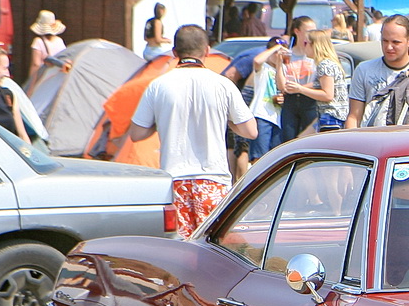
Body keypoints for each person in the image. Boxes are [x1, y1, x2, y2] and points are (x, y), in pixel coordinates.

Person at [129, 25, 257, 236]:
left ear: (174, 52)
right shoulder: (222, 84)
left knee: (179, 249)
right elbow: (250, 131)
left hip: (175, 181)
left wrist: (160, 120)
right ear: (207, 51)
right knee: (213, 248)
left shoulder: (158, 85)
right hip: (213, 181)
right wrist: (227, 121)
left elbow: (137, 134)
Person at [345, 14, 409, 128]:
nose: (389, 47)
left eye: (396, 42)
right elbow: (354, 116)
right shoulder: (364, 70)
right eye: (385, 41)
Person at [293, 29, 348, 133]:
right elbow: (320, 84)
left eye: (306, 43)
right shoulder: (330, 63)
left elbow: (328, 95)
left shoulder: (324, 65)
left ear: (315, 45)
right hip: (335, 117)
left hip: (331, 117)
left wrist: (300, 89)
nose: (303, 46)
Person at [277, 16, 319, 142]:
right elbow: (281, 86)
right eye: (308, 31)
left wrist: (300, 88)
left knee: (310, 141)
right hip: (290, 101)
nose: (312, 34)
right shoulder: (288, 54)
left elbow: (320, 83)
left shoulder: (313, 54)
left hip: (310, 100)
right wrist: (279, 63)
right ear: (297, 31)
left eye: (314, 31)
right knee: (288, 141)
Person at [245, 37, 286, 161]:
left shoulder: (283, 70)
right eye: (275, 53)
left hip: (278, 118)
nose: (278, 55)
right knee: (259, 156)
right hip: (261, 114)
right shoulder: (264, 68)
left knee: (275, 158)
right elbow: (257, 61)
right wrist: (275, 47)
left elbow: (283, 88)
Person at [28, 10, 66, 81]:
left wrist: (31, 82)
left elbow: (36, 64)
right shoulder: (60, 41)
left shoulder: (38, 41)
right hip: (58, 76)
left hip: (44, 77)